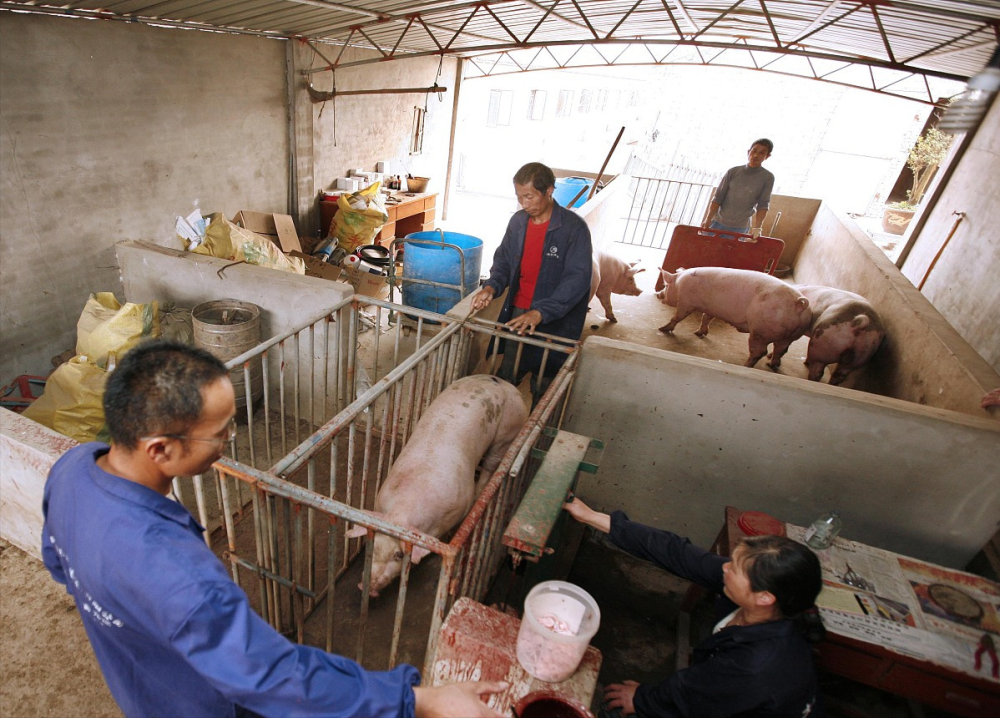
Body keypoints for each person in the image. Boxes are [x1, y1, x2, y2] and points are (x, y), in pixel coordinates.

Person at [42, 339, 506, 718]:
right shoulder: (181, 575)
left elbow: (60, 566)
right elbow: (272, 678)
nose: (231, 440)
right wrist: (417, 700)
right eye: (221, 432)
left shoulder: (72, 469)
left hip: (135, 686)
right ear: (161, 449)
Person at [563, 496, 825, 718]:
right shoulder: (767, 603)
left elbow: (694, 695)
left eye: (734, 567)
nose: (724, 567)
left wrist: (642, 699)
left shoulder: (756, 668)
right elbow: (677, 553)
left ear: (764, 597)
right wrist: (592, 517)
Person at [470, 162, 592, 397]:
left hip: (556, 317)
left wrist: (541, 312)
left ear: (548, 191)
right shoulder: (518, 222)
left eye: (529, 197)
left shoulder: (573, 228)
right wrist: (491, 287)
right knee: (509, 371)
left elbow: (577, 278)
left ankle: (540, 432)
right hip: (519, 310)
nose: (524, 204)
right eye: (519, 197)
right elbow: (504, 260)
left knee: (546, 381)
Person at [702, 139, 775, 237]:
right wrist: (708, 219)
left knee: (731, 252)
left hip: (739, 228)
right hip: (716, 223)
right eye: (754, 151)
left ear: (767, 156)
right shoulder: (733, 172)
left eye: (762, 153)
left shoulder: (767, 178)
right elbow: (718, 197)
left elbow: (763, 204)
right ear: (748, 152)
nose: (756, 155)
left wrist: (757, 228)